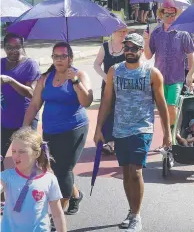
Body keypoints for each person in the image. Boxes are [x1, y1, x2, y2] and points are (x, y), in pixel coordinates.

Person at [94, 33, 171, 232]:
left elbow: (162, 106)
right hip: (120, 129)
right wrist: (98, 128)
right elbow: (107, 100)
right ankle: (131, 210)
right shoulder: (114, 71)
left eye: (133, 48)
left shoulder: (151, 73)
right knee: (127, 172)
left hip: (142, 128)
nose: (129, 51)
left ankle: (136, 216)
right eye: (126, 47)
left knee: (136, 171)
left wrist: (167, 133)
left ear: (140, 50)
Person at [23, 42, 93, 215]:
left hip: (74, 129)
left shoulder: (79, 75)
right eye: (56, 56)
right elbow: (34, 105)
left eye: (63, 56)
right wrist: (24, 129)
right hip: (50, 130)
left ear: (71, 58)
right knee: (54, 168)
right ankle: (76, 195)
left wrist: (75, 82)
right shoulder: (45, 78)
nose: (59, 59)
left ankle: (58, 213)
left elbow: (87, 101)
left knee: (63, 170)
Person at [1, 127, 69, 232]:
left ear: (36, 153)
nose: (16, 155)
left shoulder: (49, 179)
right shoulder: (7, 176)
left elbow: (57, 213)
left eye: (22, 151)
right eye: (14, 151)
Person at [144, 0, 194, 136]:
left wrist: (191, 74)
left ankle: (174, 133)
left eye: (173, 14)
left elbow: (191, 55)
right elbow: (148, 56)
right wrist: (146, 40)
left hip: (176, 78)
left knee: (172, 106)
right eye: (167, 14)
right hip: (159, 79)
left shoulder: (182, 34)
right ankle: (167, 137)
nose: (170, 17)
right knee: (162, 109)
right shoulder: (156, 33)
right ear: (161, 14)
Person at [1, 33, 41, 212]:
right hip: (4, 118)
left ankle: (29, 196)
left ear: (22, 46)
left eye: (16, 47)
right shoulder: (1, 63)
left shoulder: (30, 64)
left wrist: (10, 80)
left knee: (27, 158)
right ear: (4, 47)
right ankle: (2, 197)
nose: (12, 51)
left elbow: (32, 93)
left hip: (25, 119)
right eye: (9, 47)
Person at [93, 26, 129, 155]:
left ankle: (121, 140)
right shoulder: (105, 46)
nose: (123, 34)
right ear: (113, 32)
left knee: (121, 111)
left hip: (124, 86)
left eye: (125, 31)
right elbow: (96, 64)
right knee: (107, 111)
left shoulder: (128, 46)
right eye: (121, 31)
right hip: (108, 85)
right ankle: (109, 141)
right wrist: (105, 77)